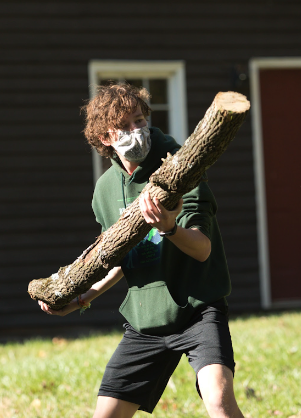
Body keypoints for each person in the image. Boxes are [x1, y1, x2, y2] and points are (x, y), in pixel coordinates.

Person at [38, 83, 245, 418]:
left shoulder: (179, 169)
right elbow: (119, 258)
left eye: (140, 120)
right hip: (144, 322)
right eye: (126, 126)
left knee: (219, 401)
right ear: (105, 138)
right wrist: (81, 298)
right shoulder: (105, 190)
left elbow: (203, 249)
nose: (137, 131)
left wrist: (169, 228)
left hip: (197, 311)